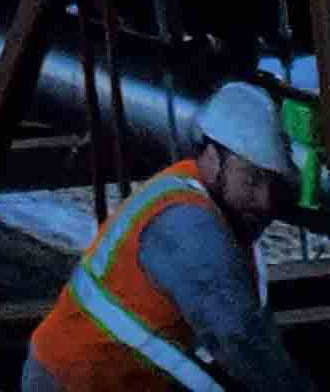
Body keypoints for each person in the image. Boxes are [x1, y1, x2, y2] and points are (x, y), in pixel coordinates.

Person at [25, 85, 308, 392]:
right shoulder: (188, 222)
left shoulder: (218, 210)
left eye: (272, 183)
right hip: (76, 379)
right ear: (213, 158)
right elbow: (239, 341)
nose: (265, 199)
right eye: (251, 179)